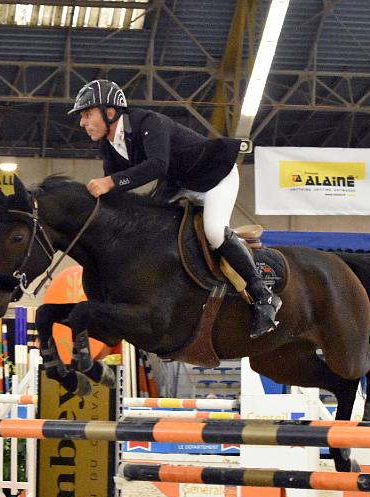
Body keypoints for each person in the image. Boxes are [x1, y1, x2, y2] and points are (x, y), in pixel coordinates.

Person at [69, 79, 280, 338]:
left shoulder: (148, 123)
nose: (82, 123)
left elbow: (157, 164)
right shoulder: (109, 145)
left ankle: (264, 295)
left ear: (109, 112)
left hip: (214, 176)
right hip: (179, 183)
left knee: (214, 231)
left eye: (87, 114)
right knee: (148, 226)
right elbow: (117, 193)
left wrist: (110, 182)